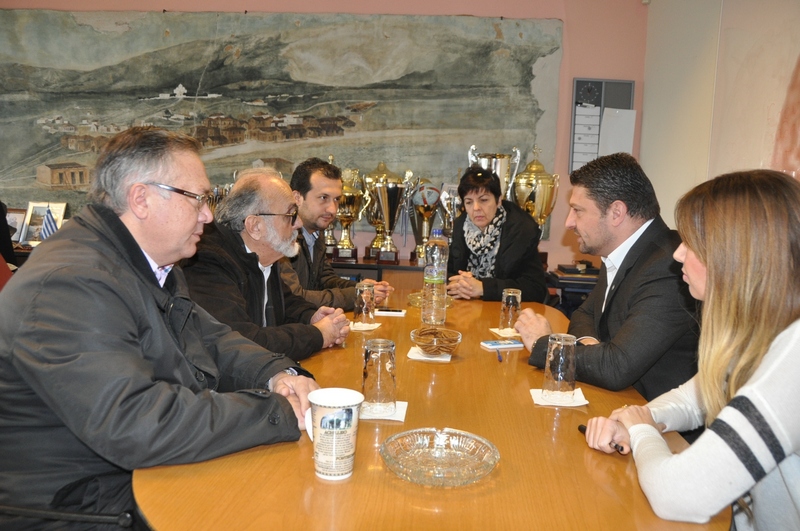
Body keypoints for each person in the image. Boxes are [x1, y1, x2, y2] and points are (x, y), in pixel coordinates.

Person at [0, 127, 318, 529]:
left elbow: (210, 337)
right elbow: (135, 424)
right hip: (81, 507)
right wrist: (277, 412)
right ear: (141, 199)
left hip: (134, 480)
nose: (208, 215)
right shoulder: (72, 282)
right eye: (197, 199)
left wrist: (278, 375)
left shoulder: (145, 262)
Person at [583, 170, 800, 530]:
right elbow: (693, 398)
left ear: (738, 255)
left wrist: (642, 432)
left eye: (693, 243)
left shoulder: (793, 357)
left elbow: (677, 494)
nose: (678, 252)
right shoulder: (759, 332)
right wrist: (638, 419)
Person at [515, 153, 699, 402]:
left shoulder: (669, 266)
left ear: (616, 212)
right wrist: (593, 347)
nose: (569, 222)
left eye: (578, 210)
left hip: (654, 417)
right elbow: (584, 314)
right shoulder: (625, 251)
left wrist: (545, 344)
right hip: (617, 402)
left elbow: (616, 368)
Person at [182, 168, 350, 362]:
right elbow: (245, 343)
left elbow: (286, 303)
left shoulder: (265, 254)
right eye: (290, 214)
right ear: (255, 226)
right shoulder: (207, 262)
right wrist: (318, 335)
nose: (298, 223)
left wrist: (312, 317)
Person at [280, 157, 393, 311]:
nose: (333, 209)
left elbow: (325, 279)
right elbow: (294, 297)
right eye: (323, 198)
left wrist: (362, 287)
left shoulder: (316, 231)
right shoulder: (281, 236)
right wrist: (356, 294)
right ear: (297, 198)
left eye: (336, 199)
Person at [446, 164, 548, 302]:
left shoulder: (520, 231)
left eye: (483, 200)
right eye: (469, 202)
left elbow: (535, 289)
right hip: (467, 308)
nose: (476, 208)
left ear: (499, 200)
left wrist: (484, 288)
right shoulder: (461, 227)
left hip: (504, 310)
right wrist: (455, 283)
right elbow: (446, 273)